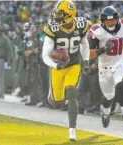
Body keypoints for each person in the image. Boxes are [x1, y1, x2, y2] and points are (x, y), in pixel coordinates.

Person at [42, 0, 90, 141]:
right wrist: (56, 65)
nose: (56, 17)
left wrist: (86, 61)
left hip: (74, 64)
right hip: (57, 66)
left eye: (59, 14)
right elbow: (45, 55)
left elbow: (85, 43)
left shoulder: (81, 25)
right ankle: (53, 97)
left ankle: (72, 130)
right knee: (57, 102)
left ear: (69, 15)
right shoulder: (53, 28)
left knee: (71, 92)